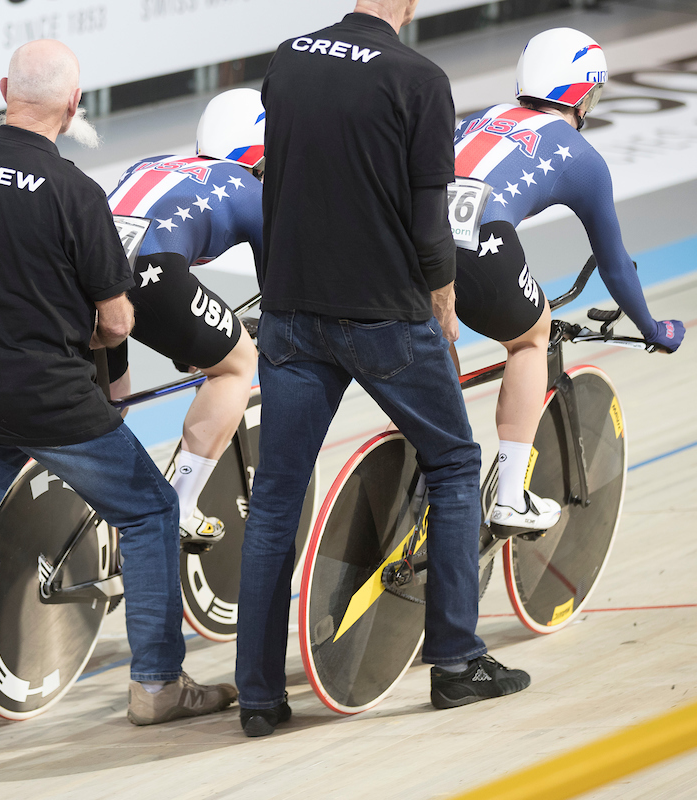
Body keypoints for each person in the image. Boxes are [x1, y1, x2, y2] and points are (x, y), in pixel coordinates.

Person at [0, 39, 237, 746]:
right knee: (151, 512)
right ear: (73, 105)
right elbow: (117, 318)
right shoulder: (74, 192)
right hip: (52, 396)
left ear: (5, 89)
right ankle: (157, 684)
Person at [237, 0, 531, 737]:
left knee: (275, 497)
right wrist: (444, 302)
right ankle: (457, 662)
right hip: (384, 317)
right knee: (456, 465)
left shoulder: (289, 57)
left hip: (292, 313)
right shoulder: (420, 77)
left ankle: (258, 695)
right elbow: (429, 217)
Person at [452, 27, 685, 536]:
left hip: (407, 237)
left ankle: (437, 455)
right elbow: (616, 265)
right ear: (580, 94)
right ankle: (509, 497)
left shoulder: (483, 117)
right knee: (532, 337)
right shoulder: (582, 158)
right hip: (482, 245)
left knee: (435, 329)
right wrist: (652, 328)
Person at [105, 88, 262, 545]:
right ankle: (180, 504)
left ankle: (101, 501)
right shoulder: (250, 188)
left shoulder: (154, 163)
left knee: (113, 403)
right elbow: (282, 291)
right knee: (237, 363)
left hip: (85, 272)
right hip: (152, 274)